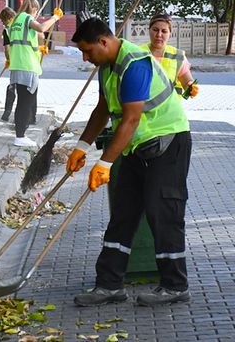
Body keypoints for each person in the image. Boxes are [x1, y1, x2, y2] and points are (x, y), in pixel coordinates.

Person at [68, 18, 192, 306]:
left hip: (168, 142)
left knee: (163, 212)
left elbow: (131, 118)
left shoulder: (134, 64)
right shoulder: (107, 67)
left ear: (103, 42)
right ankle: (109, 285)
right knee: (123, 212)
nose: (86, 59)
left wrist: (104, 164)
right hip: (138, 146)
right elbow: (102, 110)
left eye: (87, 51)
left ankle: (175, 286)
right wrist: (81, 146)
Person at [8, 0, 62, 147]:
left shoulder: (16, 20)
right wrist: (55, 17)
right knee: (26, 102)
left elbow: (38, 35)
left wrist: (40, 48)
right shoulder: (26, 18)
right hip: (27, 66)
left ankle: (21, 133)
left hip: (17, 65)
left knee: (23, 101)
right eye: (36, 11)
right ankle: (20, 136)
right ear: (33, 9)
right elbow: (42, 28)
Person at [142, 13, 198, 98]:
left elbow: (187, 82)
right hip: (144, 109)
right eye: (155, 30)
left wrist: (191, 87)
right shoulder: (138, 53)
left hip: (170, 110)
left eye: (164, 31)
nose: (159, 35)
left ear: (170, 33)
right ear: (149, 30)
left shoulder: (178, 56)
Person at [0, 6, 16, 122]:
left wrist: (8, 59)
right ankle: (31, 116)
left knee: (12, 87)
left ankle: (7, 112)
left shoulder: (7, 30)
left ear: (8, 18)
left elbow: (7, 48)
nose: (3, 23)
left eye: (3, 20)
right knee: (26, 90)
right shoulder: (21, 26)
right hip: (27, 62)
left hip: (15, 63)